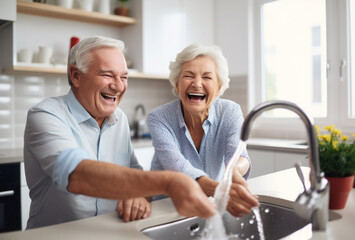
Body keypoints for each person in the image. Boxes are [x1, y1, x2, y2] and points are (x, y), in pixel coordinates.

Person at [23, 36, 215, 229]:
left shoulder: (119, 119)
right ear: (75, 75)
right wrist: (168, 182)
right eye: (107, 75)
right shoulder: (46, 114)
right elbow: (76, 174)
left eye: (123, 77)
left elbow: (134, 173)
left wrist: (138, 194)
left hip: (110, 231)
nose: (118, 86)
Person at [147, 43, 259, 217]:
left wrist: (233, 173)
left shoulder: (230, 112)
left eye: (207, 77)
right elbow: (177, 166)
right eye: (188, 76)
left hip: (209, 204)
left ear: (219, 88)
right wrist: (218, 189)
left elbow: (238, 155)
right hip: (166, 209)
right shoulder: (159, 118)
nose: (197, 84)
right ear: (177, 85)